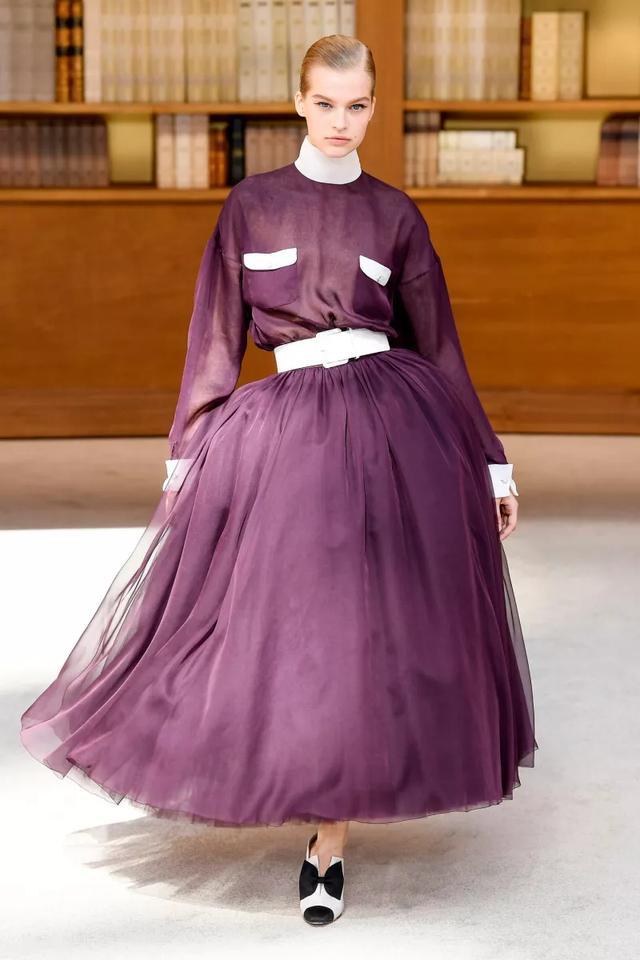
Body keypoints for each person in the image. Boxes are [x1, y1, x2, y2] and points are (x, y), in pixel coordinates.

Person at [19, 35, 537, 927]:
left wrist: (493, 462)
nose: (341, 121)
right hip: (285, 429)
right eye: (326, 103)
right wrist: (186, 454)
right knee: (280, 620)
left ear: (373, 107)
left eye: (357, 105)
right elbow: (215, 337)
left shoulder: (396, 214)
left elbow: (442, 346)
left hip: (393, 429)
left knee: (367, 624)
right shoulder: (251, 206)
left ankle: (327, 843)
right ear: (299, 101)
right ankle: (299, 782)